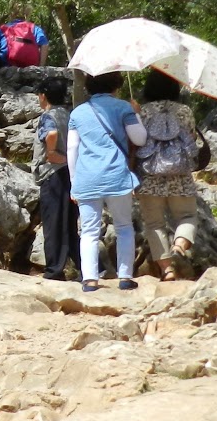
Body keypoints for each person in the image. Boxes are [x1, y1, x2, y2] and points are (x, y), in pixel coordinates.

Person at [68, 72, 147, 292]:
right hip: (117, 176)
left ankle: (90, 280)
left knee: (89, 231)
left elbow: (72, 149)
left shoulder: (78, 112)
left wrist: (73, 182)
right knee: (123, 226)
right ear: (116, 85)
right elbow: (140, 139)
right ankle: (125, 276)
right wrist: (137, 114)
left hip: (86, 178)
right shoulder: (124, 108)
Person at [135, 70, 199, 280]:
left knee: (154, 224)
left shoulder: (142, 112)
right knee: (188, 216)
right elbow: (191, 137)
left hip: (149, 175)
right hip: (179, 175)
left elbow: (135, 140)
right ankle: (180, 245)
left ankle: (167, 270)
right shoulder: (185, 111)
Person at [34, 78, 80, 281]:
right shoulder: (68, 114)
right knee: (69, 224)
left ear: (43, 95)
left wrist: (51, 151)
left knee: (53, 223)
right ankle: (90, 267)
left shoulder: (48, 115)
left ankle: (54, 269)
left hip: (52, 173)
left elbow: (51, 133)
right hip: (70, 173)